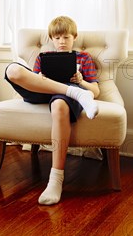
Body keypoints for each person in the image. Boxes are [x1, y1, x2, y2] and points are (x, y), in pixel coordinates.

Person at [5, 16, 100, 205]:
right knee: (12, 70)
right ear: (51, 39)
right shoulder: (43, 58)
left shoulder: (83, 58)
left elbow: (96, 91)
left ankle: (55, 179)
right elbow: (30, 82)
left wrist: (80, 81)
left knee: (59, 105)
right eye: (57, 38)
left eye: (66, 37)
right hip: (43, 91)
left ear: (74, 37)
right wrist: (39, 78)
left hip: (66, 96)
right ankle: (73, 92)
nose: (62, 42)